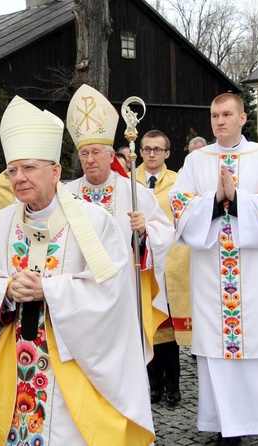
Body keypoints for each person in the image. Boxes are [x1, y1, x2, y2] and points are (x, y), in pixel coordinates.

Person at [0, 96, 155, 445]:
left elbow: (111, 291)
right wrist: (4, 290)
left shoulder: (94, 223)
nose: (18, 178)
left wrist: (47, 290)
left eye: (29, 168)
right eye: (12, 170)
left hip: (71, 363)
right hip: (17, 360)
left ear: (55, 171)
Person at [168, 93, 258, 445]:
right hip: (210, 277)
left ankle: (252, 421)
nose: (219, 121)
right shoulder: (197, 160)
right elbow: (179, 204)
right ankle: (222, 425)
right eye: (215, 115)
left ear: (242, 118)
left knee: (255, 345)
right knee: (216, 352)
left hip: (253, 274)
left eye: (226, 114)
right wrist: (214, 200)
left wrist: (238, 198)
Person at [64, 84, 173, 363]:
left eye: (96, 153)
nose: (89, 160)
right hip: (81, 288)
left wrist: (144, 231)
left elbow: (165, 232)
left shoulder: (134, 192)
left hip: (125, 287)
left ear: (111, 156)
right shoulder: (66, 194)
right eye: (84, 154)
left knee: (125, 355)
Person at [134, 129, 191, 407]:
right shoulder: (129, 182)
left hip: (170, 264)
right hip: (141, 264)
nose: (152, 154)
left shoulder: (178, 182)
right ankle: (152, 385)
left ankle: (173, 386)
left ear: (167, 153)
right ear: (140, 152)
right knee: (147, 327)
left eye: (157, 149)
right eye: (147, 149)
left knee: (168, 330)